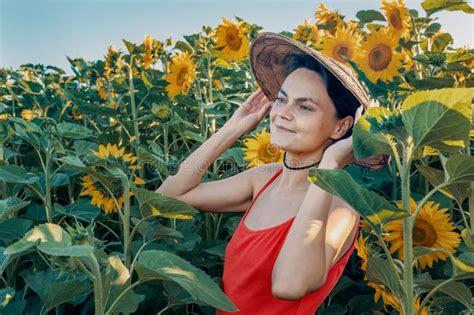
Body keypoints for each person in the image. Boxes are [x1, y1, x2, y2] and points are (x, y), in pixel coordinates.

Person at [156, 32, 389, 314]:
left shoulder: (341, 205)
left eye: (304, 106)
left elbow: (289, 286)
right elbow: (166, 198)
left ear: (341, 127)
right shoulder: (264, 179)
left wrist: (331, 165)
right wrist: (233, 128)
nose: (283, 114)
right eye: (281, 100)